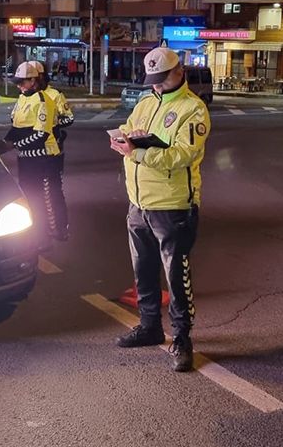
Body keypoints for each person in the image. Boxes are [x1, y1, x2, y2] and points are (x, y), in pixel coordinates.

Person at [109, 47, 211, 373]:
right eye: (151, 80)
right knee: (144, 272)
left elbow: (181, 156)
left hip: (173, 207)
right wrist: (127, 137)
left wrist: (135, 154)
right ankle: (150, 326)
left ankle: (182, 338)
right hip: (138, 204)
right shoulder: (145, 102)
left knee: (176, 278)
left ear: (178, 73)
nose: (154, 86)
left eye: (160, 80)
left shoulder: (192, 110)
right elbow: (128, 127)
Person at [4, 61, 67, 245]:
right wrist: (3, 143)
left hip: (43, 159)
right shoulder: (22, 99)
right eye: (17, 82)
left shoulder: (43, 101)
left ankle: (48, 235)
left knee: (44, 199)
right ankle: (34, 234)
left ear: (33, 80)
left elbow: (40, 134)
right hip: (25, 159)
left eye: (22, 82)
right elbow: (15, 126)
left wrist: (15, 145)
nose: (19, 85)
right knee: (28, 196)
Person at [30, 60, 72, 240]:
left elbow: (69, 118)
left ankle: (60, 228)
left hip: (52, 149)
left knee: (52, 189)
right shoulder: (27, 95)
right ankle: (40, 227)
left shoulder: (55, 94)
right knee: (34, 190)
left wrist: (52, 123)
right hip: (31, 150)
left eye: (31, 78)